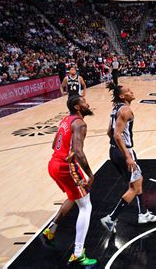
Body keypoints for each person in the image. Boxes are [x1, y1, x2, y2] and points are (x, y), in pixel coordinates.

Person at [42, 95, 96, 266]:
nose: (88, 104)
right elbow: (79, 153)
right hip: (66, 167)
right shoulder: (80, 123)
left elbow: (54, 145)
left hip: (53, 164)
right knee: (86, 205)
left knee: (73, 197)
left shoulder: (66, 120)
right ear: (78, 107)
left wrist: (69, 148)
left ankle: (51, 230)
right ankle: (78, 253)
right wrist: (90, 174)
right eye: (84, 102)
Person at [100, 82, 156, 233]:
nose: (131, 92)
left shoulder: (116, 108)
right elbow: (116, 134)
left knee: (136, 182)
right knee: (135, 185)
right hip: (124, 151)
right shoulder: (126, 110)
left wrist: (116, 148)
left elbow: (109, 131)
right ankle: (111, 219)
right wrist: (127, 156)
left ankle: (143, 213)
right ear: (122, 96)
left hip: (114, 151)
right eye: (128, 91)